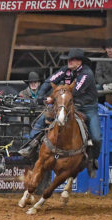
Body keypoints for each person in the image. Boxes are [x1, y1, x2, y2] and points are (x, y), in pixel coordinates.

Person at [18, 48, 101, 177]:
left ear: (79, 62)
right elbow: (50, 81)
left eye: (72, 59)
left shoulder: (86, 73)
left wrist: (54, 98)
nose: (69, 61)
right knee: (45, 117)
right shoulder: (65, 70)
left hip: (87, 107)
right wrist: (40, 96)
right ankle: (31, 145)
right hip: (67, 104)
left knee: (96, 137)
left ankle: (92, 159)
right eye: (69, 59)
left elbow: (75, 91)